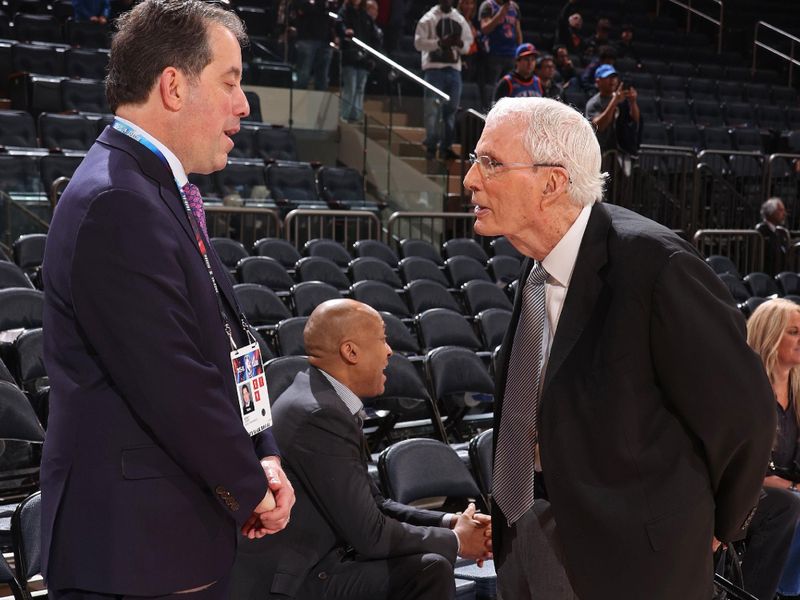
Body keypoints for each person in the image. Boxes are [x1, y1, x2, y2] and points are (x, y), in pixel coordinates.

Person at [463, 96, 776, 600]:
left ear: (552, 183)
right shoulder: (537, 263)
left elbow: (746, 416)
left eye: (491, 163)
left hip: (634, 558)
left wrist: (716, 525)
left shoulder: (656, 265)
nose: (470, 180)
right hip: (526, 529)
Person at [40, 1, 296, 597]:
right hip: (133, 551)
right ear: (174, 86)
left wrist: (264, 451)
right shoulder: (118, 200)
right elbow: (175, 381)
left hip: (159, 541)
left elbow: (225, 344)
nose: (244, 103)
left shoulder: (147, 185)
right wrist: (249, 483)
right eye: (230, 82)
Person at [231, 299, 493, 599]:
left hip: (319, 559)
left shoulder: (321, 397)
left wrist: (449, 521)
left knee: (426, 565)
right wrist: (457, 541)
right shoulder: (320, 414)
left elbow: (375, 504)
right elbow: (372, 536)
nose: (390, 351)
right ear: (350, 351)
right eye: (382, 339)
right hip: (291, 581)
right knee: (426, 571)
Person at [746, 299, 800, 600]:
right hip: (750, 493)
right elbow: (749, 466)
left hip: (789, 490)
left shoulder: (798, 391)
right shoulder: (749, 390)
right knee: (792, 504)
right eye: (793, 331)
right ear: (770, 335)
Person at [414, 0, 473, 160]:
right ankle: (431, 146)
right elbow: (418, 43)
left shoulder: (459, 19)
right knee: (432, 110)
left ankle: (446, 147)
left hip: (454, 70)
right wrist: (440, 43)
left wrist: (460, 43)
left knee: (451, 109)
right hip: (434, 69)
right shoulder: (428, 18)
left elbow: (468, 43)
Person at [338, 0, 383, 123]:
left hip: (364, 59)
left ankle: (356, 116)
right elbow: (339, 25)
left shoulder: (365, 16)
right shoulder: (345, 11)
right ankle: (345, 116)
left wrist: (372, 57)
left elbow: (374, 37)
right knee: (350, 87)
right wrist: (346, 32)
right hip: (350, 56)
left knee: (359, 88)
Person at [585, 63, 640, 156]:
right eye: (608, 77)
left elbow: (635, 119)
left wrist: (633, 102)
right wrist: (615, 101)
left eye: (614, 77)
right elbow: (599, 126)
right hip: (601, 153)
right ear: (598, 81)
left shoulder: (622, 99)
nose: (612, 80)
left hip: (621, 152)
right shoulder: (593, 103)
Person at [478, 0, 522, 95]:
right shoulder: (488, 5)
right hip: (494, 55)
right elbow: (485, 29)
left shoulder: (514, 7)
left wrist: (519, 50)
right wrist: (501, 13)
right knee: (491, 89)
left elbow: (518, 31)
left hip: (511, 55)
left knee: (509, 88)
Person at [290, 0, 334, 91]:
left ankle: (319, 104)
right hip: (306, 39)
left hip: (325, 40)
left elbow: (333, 11)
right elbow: (302, 8)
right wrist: (320, 6)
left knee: (322, 78)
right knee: (303, 76)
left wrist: (315, 5)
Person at [756, 197, 789, 275]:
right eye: (780, 210)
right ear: (770, 212)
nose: (784, 214)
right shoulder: (761, 231)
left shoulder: (781, 232)